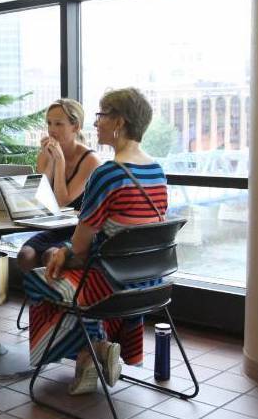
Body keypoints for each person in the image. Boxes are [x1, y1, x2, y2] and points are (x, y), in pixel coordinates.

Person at [25, 88, 168, 395]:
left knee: (40, 279)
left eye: (102, 115)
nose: (97, 122)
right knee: (61, 266)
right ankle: (90, 356)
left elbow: (78, 245)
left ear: (119, 121)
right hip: (148, 282)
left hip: (110, 286)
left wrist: (62, 253)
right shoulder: (157, 170)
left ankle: (96, 349)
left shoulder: (108, 174)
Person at [17, 99, 101, 272]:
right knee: (25, 255)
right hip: (54, 228)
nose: (52, 130)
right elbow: (37, 198)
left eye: (59, 124)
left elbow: (62, 202)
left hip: (79, 232)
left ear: (75, 127)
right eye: (49, 123)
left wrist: (60, 161)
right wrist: (49, 162)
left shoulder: (90, 160)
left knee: (51, 255)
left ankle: (57, 298)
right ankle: (37, 298)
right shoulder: (45, 155)